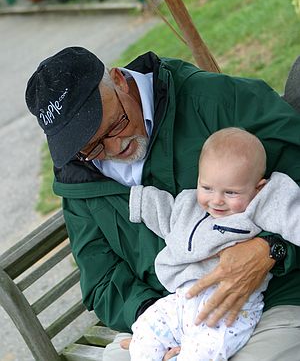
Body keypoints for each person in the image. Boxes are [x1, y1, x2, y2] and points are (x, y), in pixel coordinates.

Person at [25, 47, 300, 361]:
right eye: (92, 147)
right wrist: (158, 320)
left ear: (119, 80)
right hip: (169, 316)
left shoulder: (209, 100)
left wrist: (271, 249)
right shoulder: (78, 179)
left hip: (271, 296)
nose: (114, 148)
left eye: (115, 125)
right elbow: (101, 282)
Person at [128, 128, 300, 360]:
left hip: (229, 310)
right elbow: (164, 212)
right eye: (207, 187)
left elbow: (293, 216)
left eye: (230, 192)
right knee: (145, 329)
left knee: (203, 353)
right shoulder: (189, 206)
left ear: (257, 187)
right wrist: (139, 201)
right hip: (181, 300)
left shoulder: (259, 205)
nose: (216, 200)